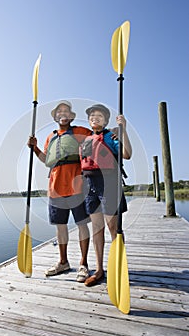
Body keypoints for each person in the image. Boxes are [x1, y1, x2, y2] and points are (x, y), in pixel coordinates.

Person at [28, 100, 92, 283]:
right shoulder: (51, 136)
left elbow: (98, 137)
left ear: (71, 116)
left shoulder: (81, 131)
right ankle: (63, 262)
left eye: (66, 111)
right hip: (55, 188)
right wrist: (35, 148)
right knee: (60, 227)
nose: (63, 114)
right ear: (56, 117)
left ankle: (83, 264)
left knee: (81, 224)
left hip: (77, 186)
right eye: (59, 112)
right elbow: (47, 161)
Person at [79, 104, 132, 287]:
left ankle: (119, 267)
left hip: (109, 184)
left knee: (113, 228)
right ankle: (100, 269)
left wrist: (123, 130)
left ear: (106, 120)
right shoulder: (86, 140)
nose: (95, 117)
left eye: (99, 115)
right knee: (97, 229)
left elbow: (127, 154)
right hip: (91, 186)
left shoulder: (112, 136)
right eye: (92, 115)